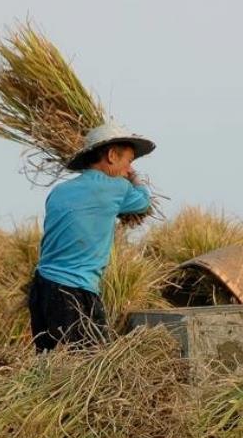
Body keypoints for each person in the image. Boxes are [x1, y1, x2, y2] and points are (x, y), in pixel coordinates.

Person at [28, 121, 155, 352]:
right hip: (73, 291)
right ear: (111, 156)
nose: (128, 169)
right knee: (90, 365)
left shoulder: (58, 191)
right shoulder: (117, 188)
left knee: (48, 363)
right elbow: (144, 202)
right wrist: (135, 179)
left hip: (41, 288)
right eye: (129, 162)